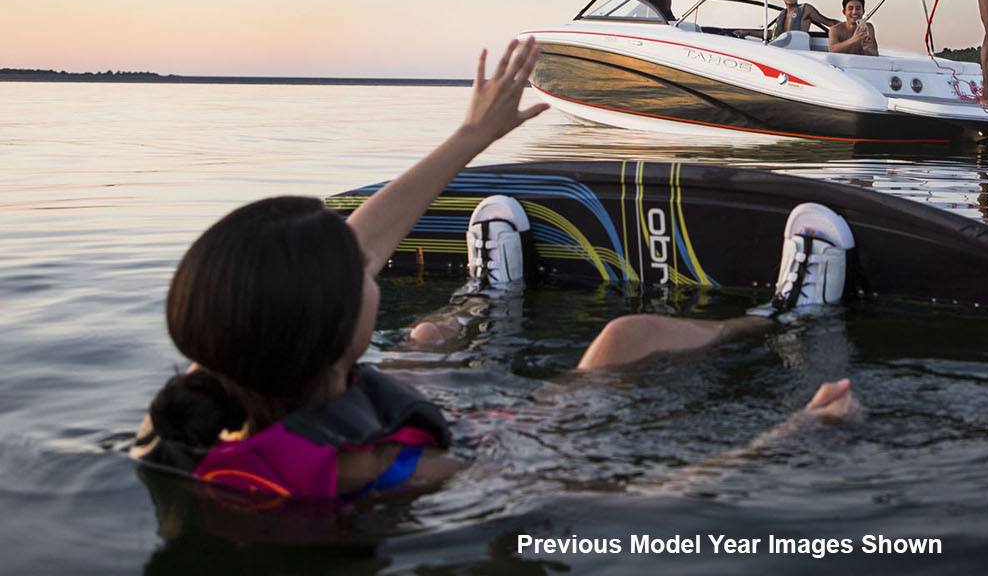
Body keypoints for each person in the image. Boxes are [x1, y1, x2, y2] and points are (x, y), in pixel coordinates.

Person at [130, 38, 858, 503]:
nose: (369, 262)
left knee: (423, 334)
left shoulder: (219, 376)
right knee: (627, 337)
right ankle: (783, 319)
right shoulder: (377, 472)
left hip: (407, 402)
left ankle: (486, 295)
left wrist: (472, 136)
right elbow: (623, 498)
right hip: (506, 438)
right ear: (327, 340)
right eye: (361, 274)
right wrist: (792, 436)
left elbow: (355, 252)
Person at [736, 0, 837, 40]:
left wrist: (850, 28)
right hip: (782, 51)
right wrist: (748, 32)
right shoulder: (782, 14)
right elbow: (772, 34)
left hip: (798, 51)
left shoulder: (806, 9)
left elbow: (829, 22)